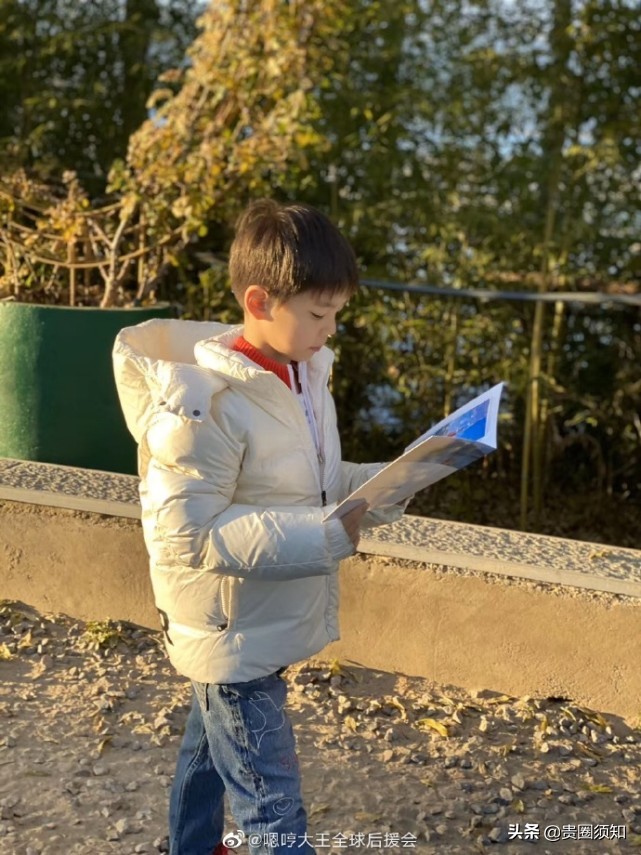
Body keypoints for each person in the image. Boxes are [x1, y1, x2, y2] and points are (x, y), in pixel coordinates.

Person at [112, 199, 406, 855]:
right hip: (230, 627)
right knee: (273, 811)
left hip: (247, 624)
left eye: (335, 315)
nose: (329, 331)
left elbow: (307, 483)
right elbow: (186, 535)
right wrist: (326, 534)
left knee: (209, 747)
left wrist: (392, 480)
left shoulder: (302, 373)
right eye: (318, 314)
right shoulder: (202, 405)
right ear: (259, 299)